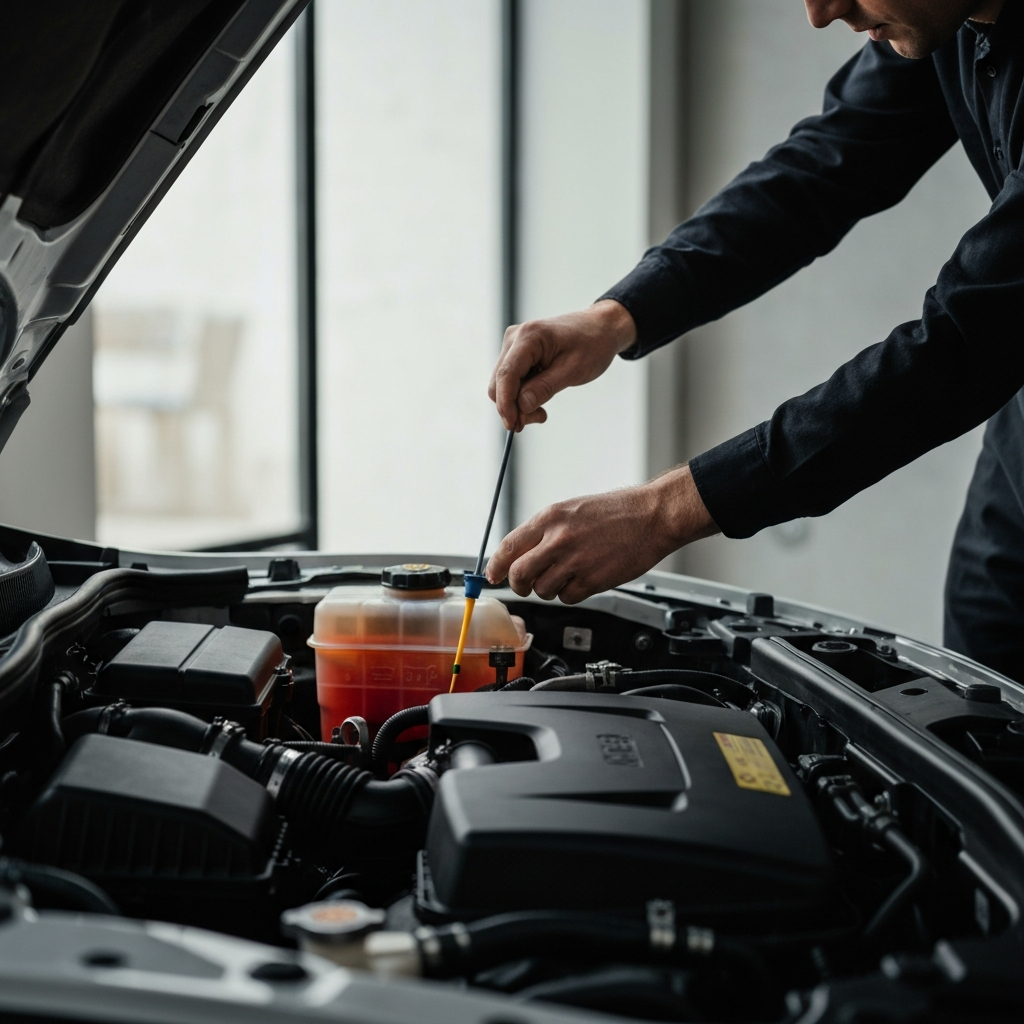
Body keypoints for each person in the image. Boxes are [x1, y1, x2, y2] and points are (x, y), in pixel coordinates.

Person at [483, 0, 1024, 680]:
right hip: (1016, 475)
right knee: (981, 740)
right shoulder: (946, 18)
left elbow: (959, 346)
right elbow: (827, 164)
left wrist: (665, 512)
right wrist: (618, 314)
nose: (821, 13)